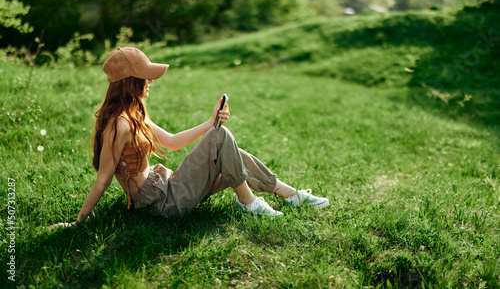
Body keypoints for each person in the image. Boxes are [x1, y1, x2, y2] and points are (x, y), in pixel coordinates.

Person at [52, 47, 328, 228]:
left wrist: (210, 122)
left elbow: (171, 142)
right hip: (164, 205)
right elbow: (103, 178)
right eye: (144, 77)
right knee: (222, 139)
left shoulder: (133, 114)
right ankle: (249, 202)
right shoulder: (119, 126)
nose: (150, 82)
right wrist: (78, 223)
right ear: (128, 82)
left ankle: (289, 195)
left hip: (169, 186)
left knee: (229, 149)